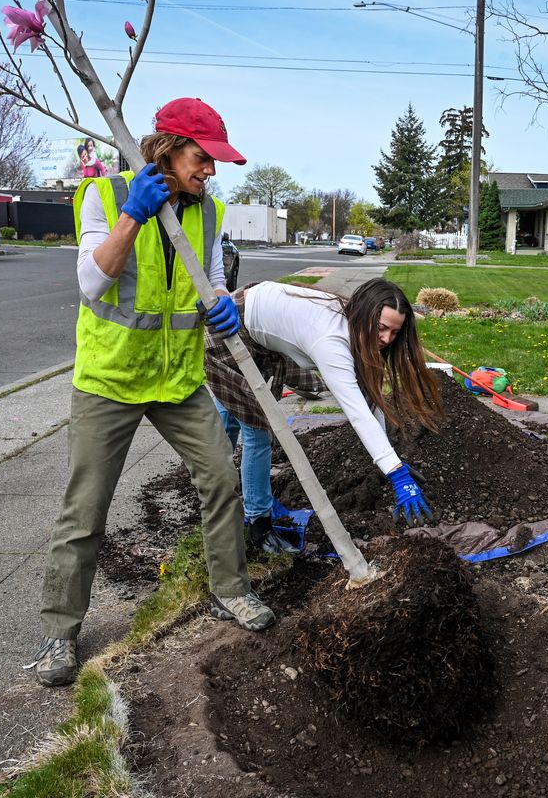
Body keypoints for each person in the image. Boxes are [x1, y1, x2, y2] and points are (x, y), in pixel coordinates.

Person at [27, 98, 268, 688]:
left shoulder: (210, 213)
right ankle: (60, 632)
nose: (211, 171)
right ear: (166, 148)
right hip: (110, 380)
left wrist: (222, 307)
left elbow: (209, 278)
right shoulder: (104, 196)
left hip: (179, 380)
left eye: (215, 162)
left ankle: (230, 591)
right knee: (85, 509)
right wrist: (133, 216)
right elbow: (92, 282)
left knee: (222, 478)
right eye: (203, 158)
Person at [204, 277, 442, 553]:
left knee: (233, 408)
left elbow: (369, 402)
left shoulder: (353, 323)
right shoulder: (331, 341)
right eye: (381, 328)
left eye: (394, 332)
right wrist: (396, 472)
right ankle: (258, 523)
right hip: (231, 324)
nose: (387, 339)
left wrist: (391, 463)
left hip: (259, 322)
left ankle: (221, 488)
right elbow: (356, 412)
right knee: (259, 431)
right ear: (365, 313)